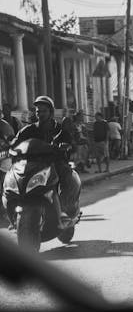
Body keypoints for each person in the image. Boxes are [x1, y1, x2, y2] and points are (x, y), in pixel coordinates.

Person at [8, 96, 79, 229]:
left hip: (55, 162)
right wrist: (10, 145)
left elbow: (72, 144)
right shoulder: (28, 129)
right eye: (38, 111)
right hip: (32, 164)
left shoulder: (60, 130)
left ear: (51, 112)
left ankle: (63, 210)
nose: (40, 114)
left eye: (43, 111)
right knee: (15, 177)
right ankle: (15, 213)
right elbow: (16, 142)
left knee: (67, 175)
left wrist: (67, 146)